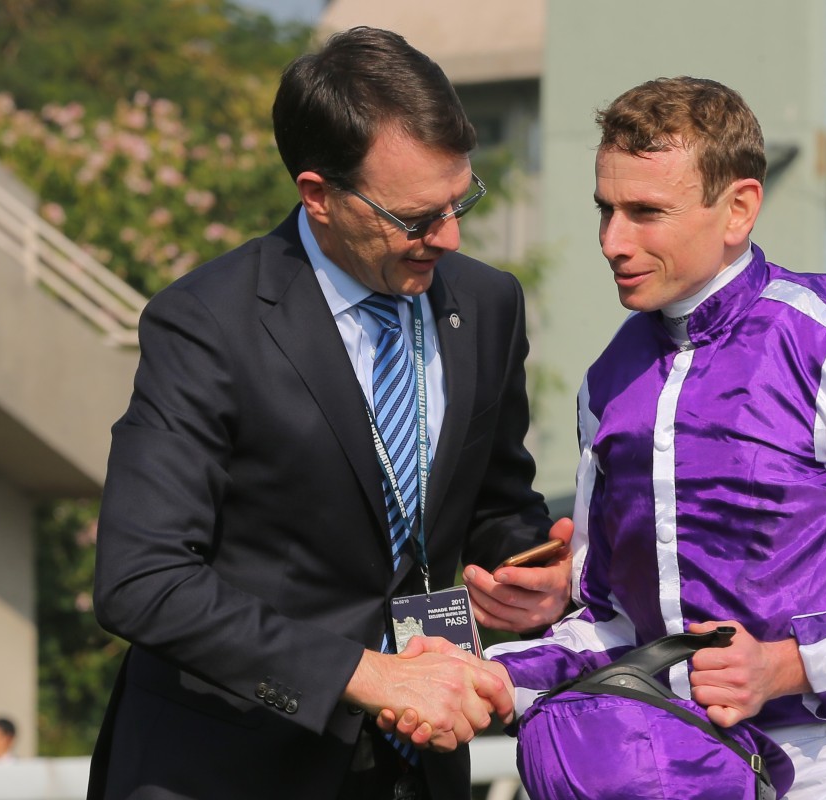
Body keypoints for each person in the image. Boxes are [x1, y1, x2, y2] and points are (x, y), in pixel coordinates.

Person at [411, 76, 826, 798]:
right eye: (606, 209)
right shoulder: (608, 382)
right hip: (674, 767)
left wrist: (786, 665)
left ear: (739, 208)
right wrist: (493, 677)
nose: (612, 242)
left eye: (646, 212)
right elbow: (617, 628)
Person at [88, 26, 573, 800]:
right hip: (230, 770)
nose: (450, 237)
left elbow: (494, 502)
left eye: (461, 201)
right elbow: (141, 580)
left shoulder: (487, 304)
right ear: (318, 196)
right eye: (416, 218)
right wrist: (364, 674)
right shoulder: (206, 323)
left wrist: (531, 574)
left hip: (419, 768)